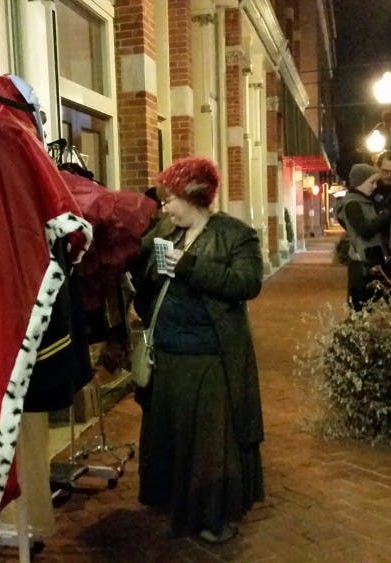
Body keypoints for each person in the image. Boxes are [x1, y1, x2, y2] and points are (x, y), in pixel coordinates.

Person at [130, 156, 264, 544]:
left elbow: (246, 283)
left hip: (211, 356)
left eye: (170, 199)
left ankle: (213, 513)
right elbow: (149, 282)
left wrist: (189, 267)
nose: (165, 207)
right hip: (168, 356)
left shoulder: (235, 235)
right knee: (171, 435)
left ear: (194, 196)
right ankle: (174, 502)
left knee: (210, 443)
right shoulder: (165, 233)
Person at [335, 163, 391, 310]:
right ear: (359, 183)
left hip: (370, 262)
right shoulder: (353, 204)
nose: (375, 186)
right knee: (362, 309)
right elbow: (364, 230)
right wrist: (384, 216)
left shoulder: (365, 202)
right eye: (371, 182)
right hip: (361, 266)